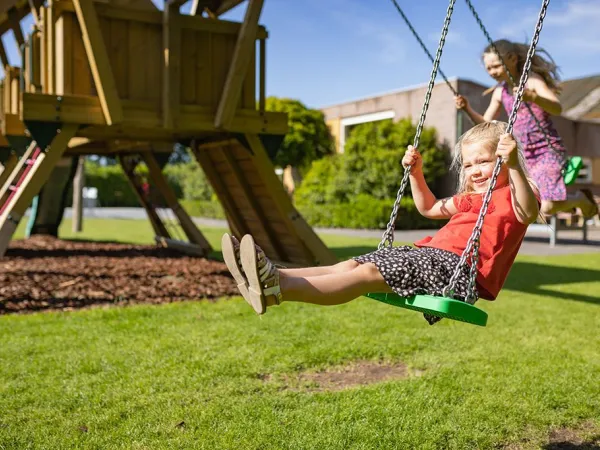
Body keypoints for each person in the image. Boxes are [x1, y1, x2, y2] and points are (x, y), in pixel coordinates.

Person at [222, 121, 540, 325]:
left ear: (504, 158)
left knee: (367, 274)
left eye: (483, 161)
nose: (474, 170)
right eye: (469, 164)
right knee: (351, 265)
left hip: (455, 271)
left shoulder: (514, 193)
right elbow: (429, 207)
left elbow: (526, 212)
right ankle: (272, 276)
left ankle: (278, 288)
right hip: (427, 256)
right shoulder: (468, 199)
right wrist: (416, 173)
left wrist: (513, 167)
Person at [455, 39, 598, 218]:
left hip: (547, 149)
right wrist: (466, 108)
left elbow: (556, 107)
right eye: (488, 68)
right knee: (537, 202)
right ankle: (575, 201)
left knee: (547, 207)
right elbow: (485, 123)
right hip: (524, 154)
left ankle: (578, 199)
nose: (492, 72)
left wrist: (533, 97)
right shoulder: (500, 91)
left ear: (512, 59)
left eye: (496, 66)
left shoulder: (531, 80)